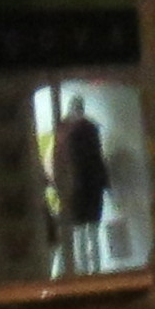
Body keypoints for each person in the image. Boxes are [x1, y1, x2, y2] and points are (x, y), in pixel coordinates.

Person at [50, 97, 114, 271]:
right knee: (88, 231)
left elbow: (59, 161)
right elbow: (96, 159)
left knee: (82, 231)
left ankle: (87, 269)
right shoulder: (87, 129)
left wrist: (60, 185)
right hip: (88, 186)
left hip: (79, 187)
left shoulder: (64, 131)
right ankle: (91, 269)